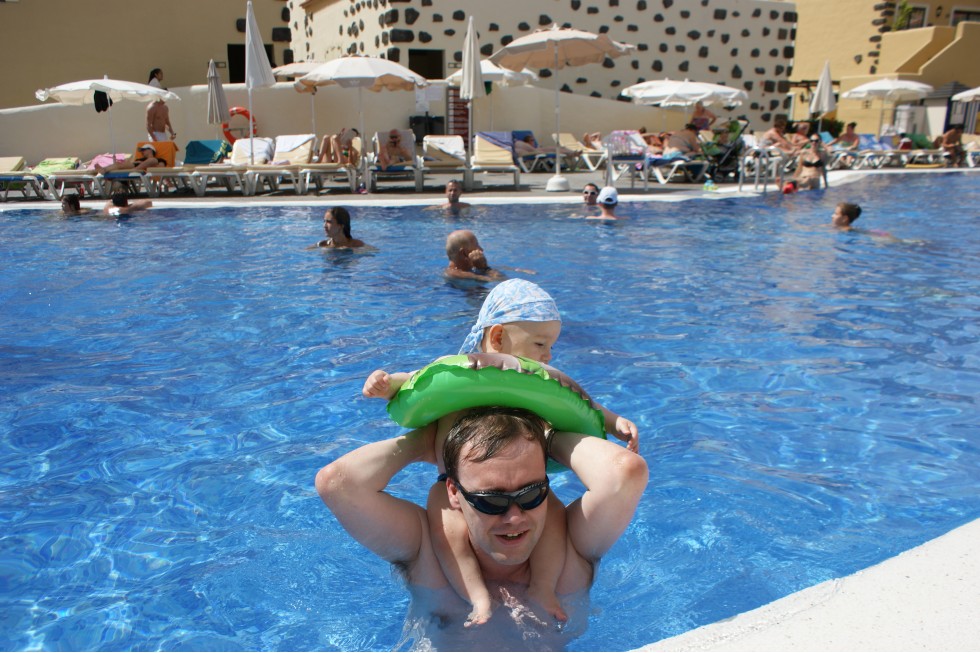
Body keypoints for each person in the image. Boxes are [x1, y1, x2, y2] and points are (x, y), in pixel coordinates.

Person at [361, 278, 640, 627]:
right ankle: (477, 596)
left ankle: (542, 587)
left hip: (523, 484)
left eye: (551, 345)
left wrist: (613, 422)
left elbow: (585, 405)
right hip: (452, 485)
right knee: (446, 527)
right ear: (497, 338)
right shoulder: (455, 370)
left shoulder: (541, 382)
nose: (548, 355)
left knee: (552, 513)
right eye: (540, 343)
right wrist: (386, 385)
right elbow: (413, 383)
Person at [316, 401, 647, 646]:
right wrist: (427, 443)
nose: (514, 517)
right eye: (491, 500)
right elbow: (338, 484)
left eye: (532, 493)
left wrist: (546, 439)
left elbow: (625, 473)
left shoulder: (571, 547)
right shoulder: (427, 550)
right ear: (454, 493)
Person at [93, 144, 163, 173]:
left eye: (143, 150)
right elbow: (130, 164)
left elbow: (161, 166)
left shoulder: (159, 159)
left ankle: (135, 170)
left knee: (152, 160)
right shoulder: (139, 160)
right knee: (118, 164)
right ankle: (103, 169)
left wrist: (144, 164)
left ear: (150, 150)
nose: (142, 152)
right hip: (134, 166)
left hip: (139, 168)